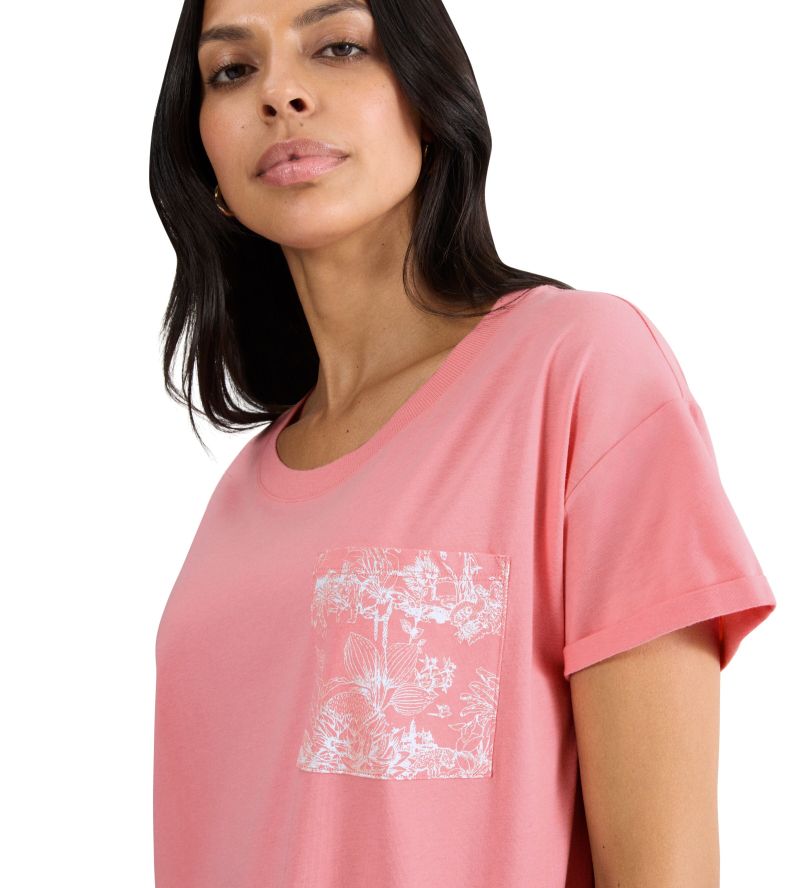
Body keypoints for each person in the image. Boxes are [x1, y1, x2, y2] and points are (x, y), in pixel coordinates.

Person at [149, 1, 777, 886]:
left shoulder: (579, 371)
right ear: (204, 160)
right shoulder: (237, 502)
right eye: (232, 70)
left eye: (338, 47)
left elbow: (665, 871)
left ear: (429, 95)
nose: (280, 93)